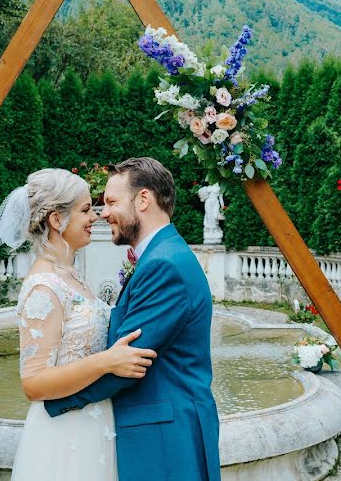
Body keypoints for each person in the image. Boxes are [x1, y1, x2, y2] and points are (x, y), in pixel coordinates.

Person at [44, 157, 221, 481]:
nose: (104, 212)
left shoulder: (164, 265)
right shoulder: (162, 255)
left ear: (143, 199)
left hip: (165, 440)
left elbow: (128, 364)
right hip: (163, 429)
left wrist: (54, 396)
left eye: (111, 201)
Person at [0, 168, 157, 480]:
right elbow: (34, 383)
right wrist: (107, 361)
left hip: (95, 424)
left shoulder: (70, 275)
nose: (95, 216)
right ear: (56, 220)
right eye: (85, 209)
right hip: (64, 435)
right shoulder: (43, 286)